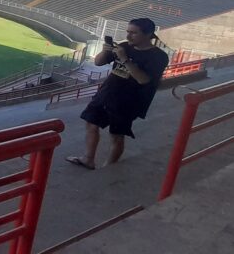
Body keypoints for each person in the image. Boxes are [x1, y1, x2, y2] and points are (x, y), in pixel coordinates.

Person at [66, 18, 169, 170]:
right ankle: (88, 159)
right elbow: (99, 63)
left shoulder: (158, 56)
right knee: (91, 123)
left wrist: (125, 59)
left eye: (134, 33)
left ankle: (109, 168)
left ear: (148, 34)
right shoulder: (124, 46)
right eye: (128, 32)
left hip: (129, 101)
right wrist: (106, 50)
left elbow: (143, 79)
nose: (128, 36)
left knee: (116, 135)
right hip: (107, 93)